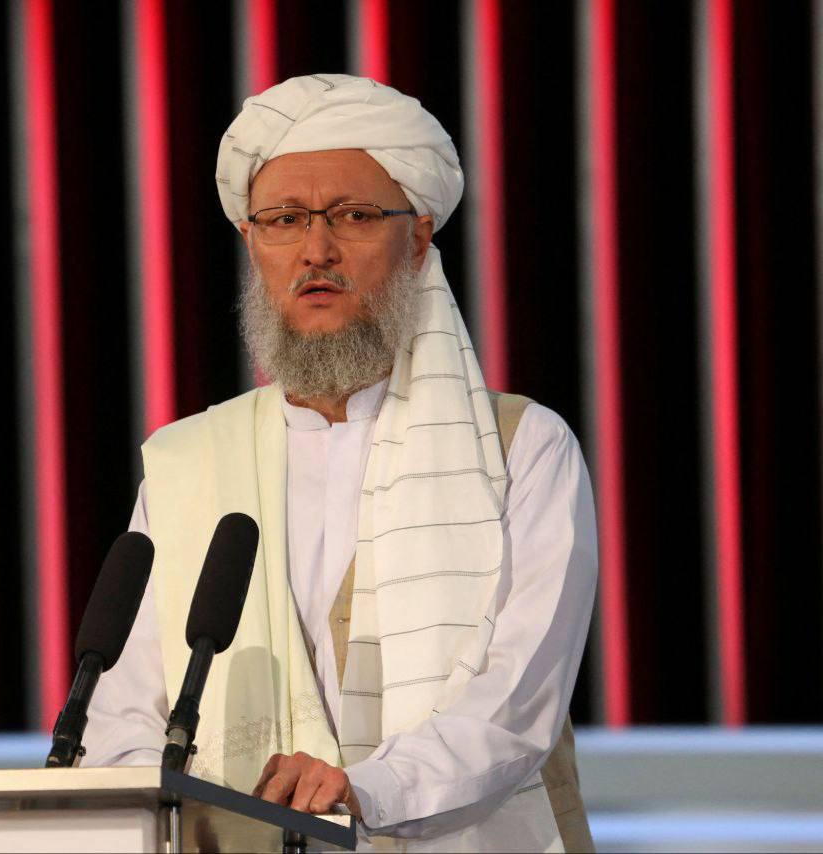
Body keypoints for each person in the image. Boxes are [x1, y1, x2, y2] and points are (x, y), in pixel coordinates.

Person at [83, 74, 598, 852]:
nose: (316, 250)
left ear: (418, 239)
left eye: (355, 216)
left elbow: (515, 702)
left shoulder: (521, 446)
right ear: (251, 243)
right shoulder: (188, 462)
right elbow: (123, 715)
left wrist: (367, 790)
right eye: (284, 220)